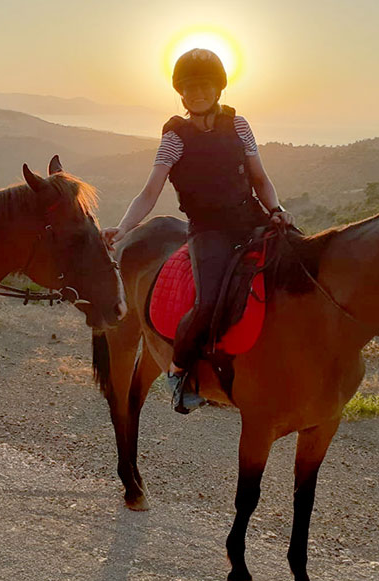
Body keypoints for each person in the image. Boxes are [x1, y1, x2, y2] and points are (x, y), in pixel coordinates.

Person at [101, 48, 294, 413]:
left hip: (252, 218)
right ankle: (179, 372)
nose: (198, 93)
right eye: (190, 87)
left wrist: (278, 210)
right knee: (206, 302)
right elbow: (150, 190)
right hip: (209, 230)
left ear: (218, 89)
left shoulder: (239, 126)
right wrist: (126, 228)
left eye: (204, 85)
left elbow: (261, 179)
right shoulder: (176, 137)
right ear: (182, 93)